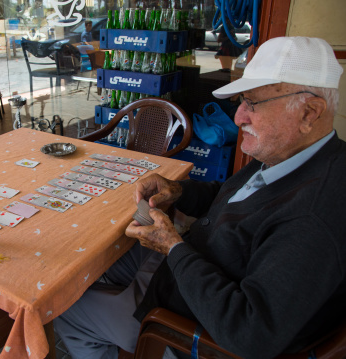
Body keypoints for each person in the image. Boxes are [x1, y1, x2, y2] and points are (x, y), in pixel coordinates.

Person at [54, 36, 346, 359]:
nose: (238, 118)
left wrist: (173, 248)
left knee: (67, 307)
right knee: (99, 260)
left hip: (181, 321)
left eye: (254, 104)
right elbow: (234, 199)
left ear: (309, 113)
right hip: (194, 263)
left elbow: (249, 333)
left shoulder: (313, 218)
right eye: (241, 102)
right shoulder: (294, 156)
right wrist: (179, 191)